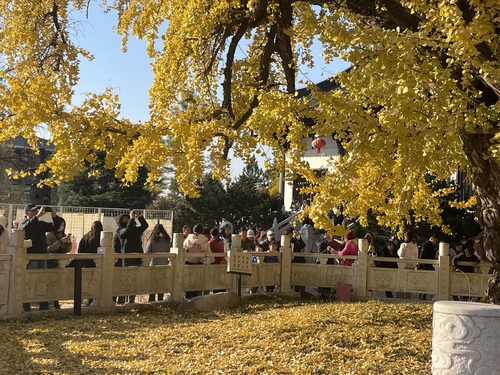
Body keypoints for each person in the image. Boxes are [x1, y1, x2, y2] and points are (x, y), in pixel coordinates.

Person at [20, 203, 54, 311]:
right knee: (30, 280)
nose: (36, 212)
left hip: (42, 254)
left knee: (42, 280)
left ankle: (43, 304)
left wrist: (53, 216)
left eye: (36, 211)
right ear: (26, 213)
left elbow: (53, 227)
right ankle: (26, 304)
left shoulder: (40, 223)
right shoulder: (24, 222)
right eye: (33, 211)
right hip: (31, 256)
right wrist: (37, 216)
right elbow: (25, 228)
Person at [114, 210, 149, 304]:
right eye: (124, 219)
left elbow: (145, 226)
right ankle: (120, 301)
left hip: (137, 257)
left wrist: (139, 217)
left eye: (127, 218)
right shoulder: (120, 231)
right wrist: (132, 219)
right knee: (125, 280)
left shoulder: (134, 229)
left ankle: (131, 300)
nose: (126, 219)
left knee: (134, 280)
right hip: (126, 260)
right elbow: (126, 231)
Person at [77, 220, 104, 306]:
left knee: (85, 282)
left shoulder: (86, 237)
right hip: (97, 264)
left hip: (86, 263)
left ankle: (83, 300)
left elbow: (80, 250)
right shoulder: (102, 238)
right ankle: (92, 300)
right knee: (95, 283)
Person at [183, 223, 211, 298]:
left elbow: (183, 248)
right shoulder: (204, 240)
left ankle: (188, 298)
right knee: (197, 282)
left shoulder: (189, 238)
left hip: (188, 262)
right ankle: (196, 298)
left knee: (189, 281)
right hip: (199, 263)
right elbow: (208, 253)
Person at [146, 223, 171, 302]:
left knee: (153, 281)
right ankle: (160, 297)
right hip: (164, 262)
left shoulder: (153, 239)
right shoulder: (167, 239)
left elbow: (147, 251)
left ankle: (152, 298)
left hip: (154, 262)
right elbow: (169, 250)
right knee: (161, 280)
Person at [397, 231, 419, 299]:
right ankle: (409, 297)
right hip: (412, 266)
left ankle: (401, 297)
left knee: (402, 282)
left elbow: (401, 254)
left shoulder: (403, 245)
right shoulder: (415, 246)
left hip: (404, 266)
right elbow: (416, 256)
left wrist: (398, 251)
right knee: (409, 283)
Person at [418, 234, 439, 301]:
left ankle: (423, 296)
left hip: (428, 265)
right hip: (426, 265)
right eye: (435, 241)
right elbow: (422, 255)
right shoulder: (427, 245)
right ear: (432, 239)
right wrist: (420, 264)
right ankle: (422, 297)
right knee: (426, 281)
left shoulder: (430, 246)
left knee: (426, 282)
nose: (435, 243)